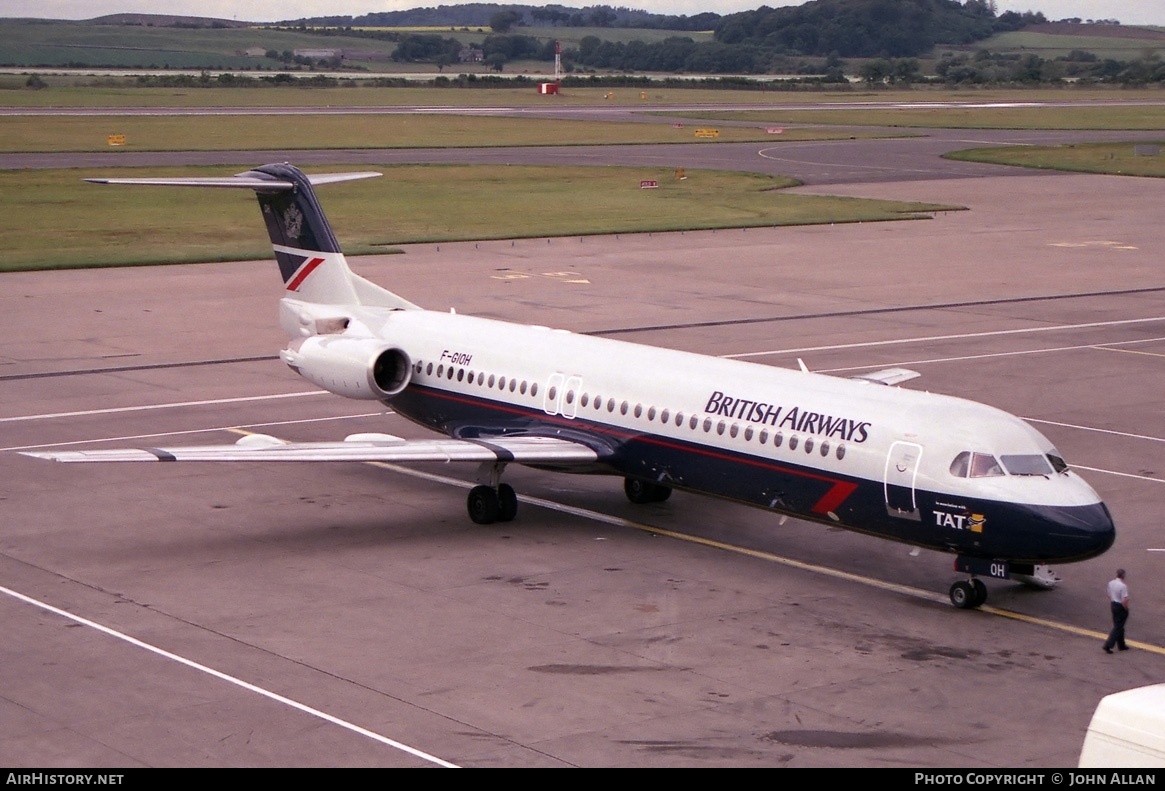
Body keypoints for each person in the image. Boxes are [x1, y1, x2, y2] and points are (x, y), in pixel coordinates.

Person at [1103, 569, 1129, 654]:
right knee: (1118, 626)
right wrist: (1126, 608)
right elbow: (1124, 600)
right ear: (1123, 576)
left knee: (1119, 625)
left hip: (1113, 604)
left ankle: (1121, 645)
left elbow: (1109, 595)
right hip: (1120, 606)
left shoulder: (1111, 583)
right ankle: (1108, 645)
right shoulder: (1123, 586)